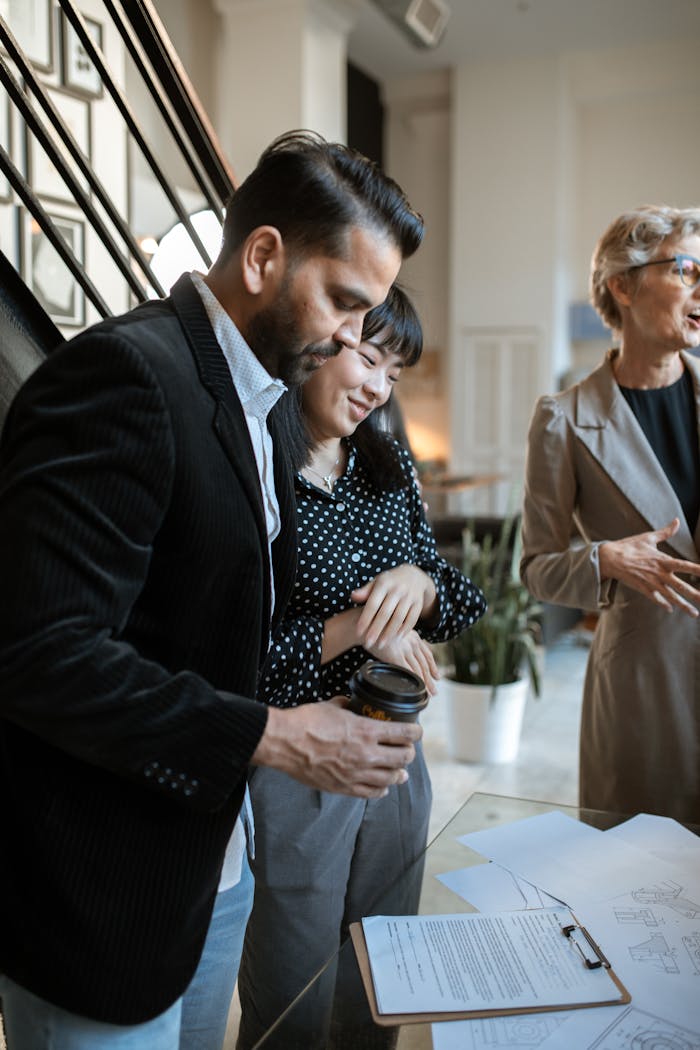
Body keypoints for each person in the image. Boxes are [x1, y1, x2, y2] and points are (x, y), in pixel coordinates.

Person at [0, 130, 426, 1050]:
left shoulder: (264, 397)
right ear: (264, 256)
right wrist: (275, 733)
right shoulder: (127, 376)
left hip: (214, 865)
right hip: (103, 896)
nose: (355, 341)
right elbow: (38, 655)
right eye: (346, 304)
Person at [236, 285, 487, 1050]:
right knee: (292, 985)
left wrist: (419, 583)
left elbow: (463, 600)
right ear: (318, 342)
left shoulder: (386, 463)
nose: (380, 386)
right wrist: (358, 629)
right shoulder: (256, 465)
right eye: (369, 359)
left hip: (397, 752)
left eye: (394, 373)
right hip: (299, 759)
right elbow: (238, 659)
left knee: (384, 966)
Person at [520, 204, 700, 824]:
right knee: (637, 881)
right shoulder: (565, 419)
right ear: (622, 286)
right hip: (643, 691)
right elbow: (537, 568)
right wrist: (606, 559)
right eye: (686, 269)